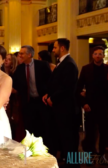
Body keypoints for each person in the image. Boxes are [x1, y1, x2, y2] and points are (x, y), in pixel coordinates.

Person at [42, 38, 79, 167]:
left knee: (69, 141)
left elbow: (67, 87)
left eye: (55, 48)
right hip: (59, 109)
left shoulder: (69, 64)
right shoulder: (61, 63)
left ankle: (73, 165)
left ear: (62, 48)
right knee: (62, 139)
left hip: (66, 109)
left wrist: (53, 98)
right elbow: (56, 84)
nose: (53, 50)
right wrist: (48, 94)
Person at [77, 46, 108, 159]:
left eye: (100, 54)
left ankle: (102, 155)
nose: (98, 56)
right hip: (90, 106)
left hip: (104, 106)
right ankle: (89, 156)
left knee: (104, 132)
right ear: (92, 55)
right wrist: (84, 103)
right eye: (95, 54)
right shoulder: (86, 68)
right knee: (90, 133)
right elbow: (79, 88)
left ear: (103, 55)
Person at [13, 46, 52, 148]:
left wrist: (48, 94)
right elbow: (15, 85)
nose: (19, 55)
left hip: (42, 101)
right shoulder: (19, 68)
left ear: (29, 55)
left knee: (44, 127)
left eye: (22, 53)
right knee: (29, 128)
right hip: (28, 103)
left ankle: (45, 150)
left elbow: (51, 81)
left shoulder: (42, 65)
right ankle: (31, 149)